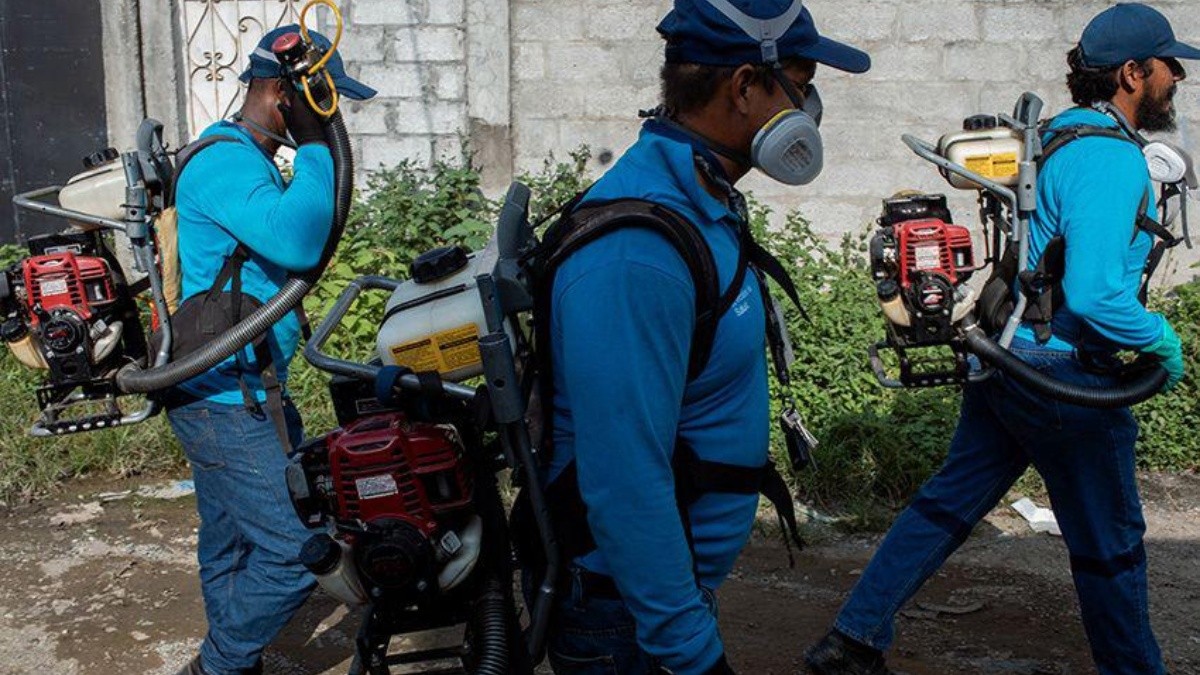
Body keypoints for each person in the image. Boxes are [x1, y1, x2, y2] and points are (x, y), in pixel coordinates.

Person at [804, 4, 1195, 675]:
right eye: (1168, 66)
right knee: (1113, 542)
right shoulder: (1110, 160)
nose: (1177, 78)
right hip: (1066, 375)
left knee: (947, 502)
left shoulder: (1055, 137)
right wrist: (1162, 339)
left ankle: (851, 638)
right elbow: (1099, 294)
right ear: (1133, 72)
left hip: (1009, 355)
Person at [533, 2, 869, 673]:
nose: (811, 105)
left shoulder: (697, 196)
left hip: (658, 603)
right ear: (744, 87)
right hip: (627, 620)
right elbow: (624, 481)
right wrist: (689, 651)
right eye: (799, 84)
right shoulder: (637, 254)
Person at [165, 26, 375, 675]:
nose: (330, 116)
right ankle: (221, 663)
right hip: (227, 396)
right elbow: (301, 238)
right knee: (293, 549)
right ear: (285, 93)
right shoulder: (225, 161)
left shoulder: (245, 159)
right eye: (323, 101)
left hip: (236, 389)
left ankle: (237, 658)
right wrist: (316, 145)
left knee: (229, 539)